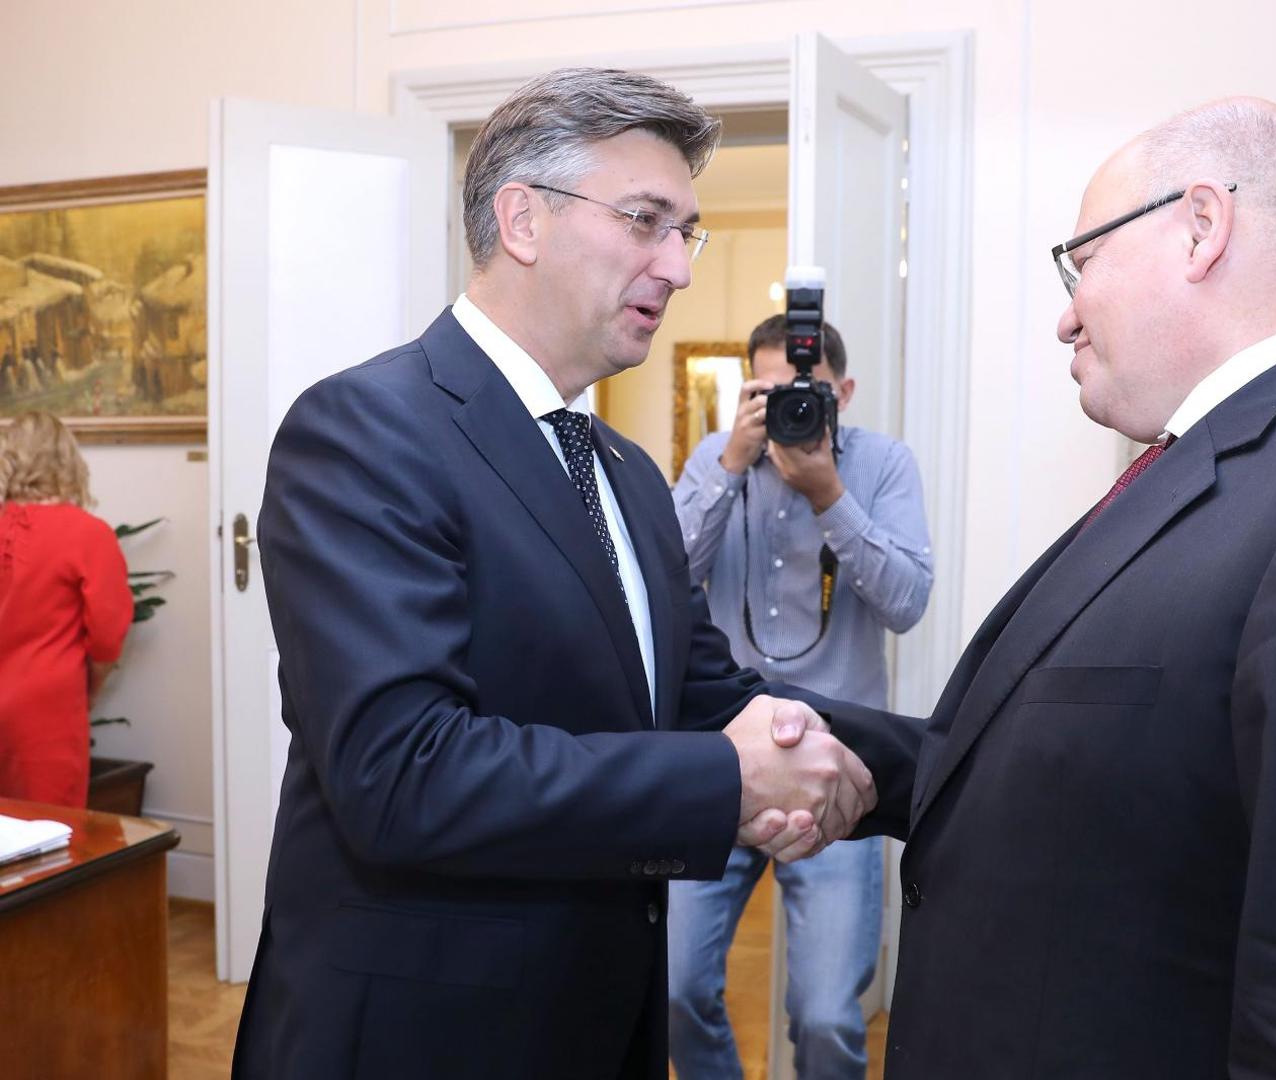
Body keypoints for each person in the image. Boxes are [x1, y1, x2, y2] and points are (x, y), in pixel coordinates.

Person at [770, 98, 1276, 1077]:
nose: (1066, 314)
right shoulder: (1234, 467)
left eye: (1082, 264)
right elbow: (1129, 776)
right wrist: (840, 753)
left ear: (1202, 227)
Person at [231, 68, 873, 1080]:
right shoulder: (364, 429)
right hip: (424, 1037)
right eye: (646, 221)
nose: (679, 266)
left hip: (598, 1018)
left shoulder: (625, 470)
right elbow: (404, 773)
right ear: (522, 219)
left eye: (687, 232)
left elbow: (701, 695)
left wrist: (952, 760)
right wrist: (729, 780)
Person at [667, 316, 933, 1079]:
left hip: (833, 768)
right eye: (767, 391)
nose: (787, 407)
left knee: (827, 1016)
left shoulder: (883, 465)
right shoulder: (716, 458)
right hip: (719, 757)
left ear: (842, 393)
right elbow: (664, 583)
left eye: (803, 393)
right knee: (675, 988)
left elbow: (908, 602)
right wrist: (728, 465)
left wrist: (830, 496)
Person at [0, 411, 132, 807]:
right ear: (68, 460)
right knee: (50, 830)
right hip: (47, 711)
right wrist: (91, 691)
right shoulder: (88, 534)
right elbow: (107, 638)